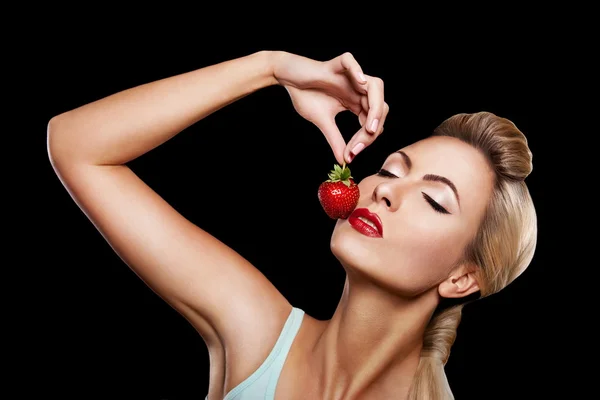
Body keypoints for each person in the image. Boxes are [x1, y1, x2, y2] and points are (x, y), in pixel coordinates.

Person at [47, 50, 537, 400]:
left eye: (433, 200)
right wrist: (271, 68)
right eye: (389, 170)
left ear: (462, 277)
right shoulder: (257, 335)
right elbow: (76, 147)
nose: (384, 190)